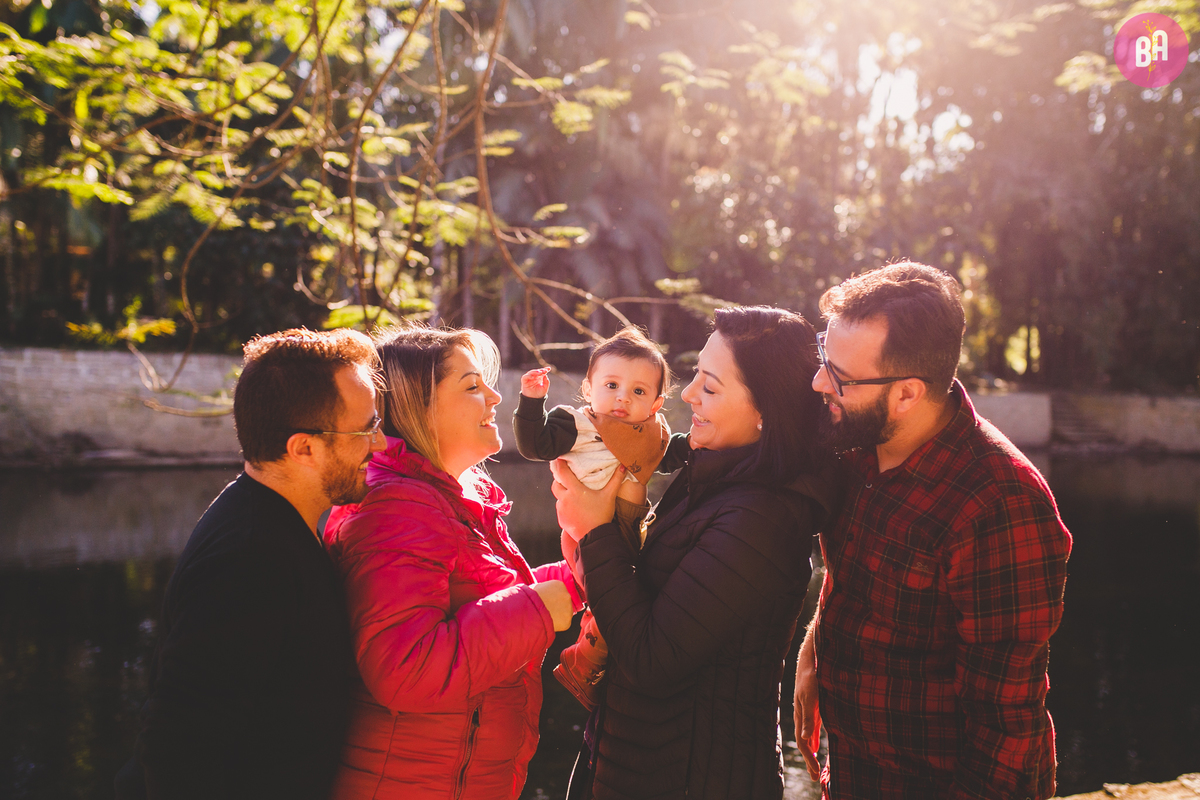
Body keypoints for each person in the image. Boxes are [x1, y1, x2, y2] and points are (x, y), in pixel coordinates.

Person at [792, 262, 1072, 800]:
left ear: (906, 394)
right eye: (825, 356)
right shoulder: (858, 441)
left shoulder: (999, 504)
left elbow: (1004, 731)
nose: (819, 383)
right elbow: (857, 578)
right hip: (854, 775)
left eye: (840, 377)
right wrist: (815, 646)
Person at [553, 306, 836, 800]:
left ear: (766, 410)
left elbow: (652, 659)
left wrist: (595, 530)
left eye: (710, 386)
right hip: (633, 759)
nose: (687, 394)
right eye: (696, 375)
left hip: (692, 778)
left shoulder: (762, 518)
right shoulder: (713, 475)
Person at [118, 328, 386, 800]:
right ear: (304, 448)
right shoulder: (248, 559)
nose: (380, 444)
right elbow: (174, 749)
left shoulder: (270, 521)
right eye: (366, 430)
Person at [321, 325, 580, 800]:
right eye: (471, 387)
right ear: (418, 409)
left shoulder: (444, 499)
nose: (494, 398)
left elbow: (487, 599)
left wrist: (585, 574)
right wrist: (539, 609)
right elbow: (405, 668)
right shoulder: (396, 507)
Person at [513, 326, 690, 709]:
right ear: (588, 389)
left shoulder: (650, 435)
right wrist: (531, 402)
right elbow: (534, 445)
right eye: (611, 385)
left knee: (628, 596)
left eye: (638, 391)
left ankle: (603, 667)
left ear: (655, 404)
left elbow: (673, 455)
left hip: (629, 526)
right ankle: (582, 666)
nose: (622, 397)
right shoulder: (575, 426)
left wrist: (700, 444)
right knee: (604, 600)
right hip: (586, 533)